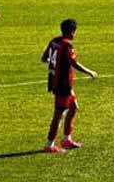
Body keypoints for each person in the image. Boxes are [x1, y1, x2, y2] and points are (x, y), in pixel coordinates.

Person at [42, 18, 98, 153]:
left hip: (57, 82)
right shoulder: (67, 45)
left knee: (73, 108)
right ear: (72, 32)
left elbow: (44, 58)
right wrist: (89, 71)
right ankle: (49, 145)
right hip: (63, 84)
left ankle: (67, 139)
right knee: (58, 114)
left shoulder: (54, 41)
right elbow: (74, 63)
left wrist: (54, 66)